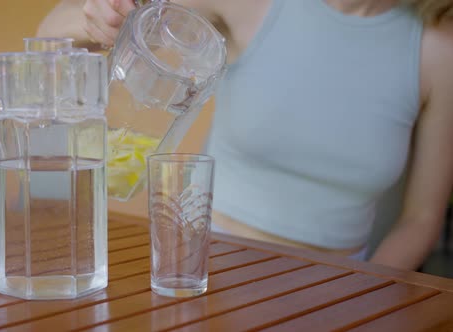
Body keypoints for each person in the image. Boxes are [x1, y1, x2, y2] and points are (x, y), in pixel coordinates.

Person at [37, 0, 453, 270]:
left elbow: (422, 219)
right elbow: (50, 32)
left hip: (343, 281)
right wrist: (98, 16)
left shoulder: (439, 50)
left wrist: (367, 296)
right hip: (205, 266)